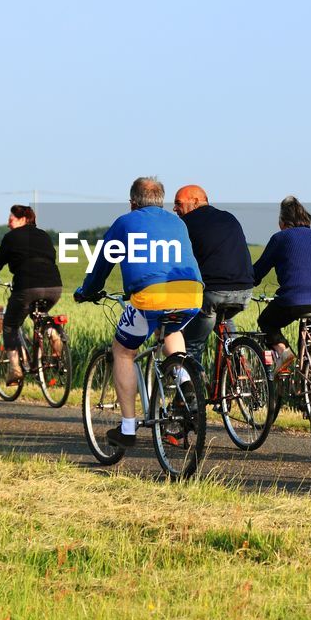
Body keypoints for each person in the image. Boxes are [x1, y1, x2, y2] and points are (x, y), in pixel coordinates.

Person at [74, 177, 203, 449]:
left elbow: (102, 264)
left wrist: (86, 291)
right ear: (161, 202)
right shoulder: (178, 222)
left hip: (151, 295)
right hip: (191, 294)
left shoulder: (125, 222)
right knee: (172, 329)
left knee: (123, 351)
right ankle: (185, 380)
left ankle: (128, 428)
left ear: (133, 203)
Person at [172, 184, 254, 365]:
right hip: (245, 290)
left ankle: (192, 392)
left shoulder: (185, 224)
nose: (174, 208)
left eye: (178, 203)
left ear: (195, 201)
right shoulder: (229, 218)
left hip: (213, 292)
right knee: (224, 326)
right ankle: (242, 375)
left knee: (192, 345)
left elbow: (177, 261)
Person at [0, 204, 64, 383]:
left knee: (10, 324)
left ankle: (15, 368)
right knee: (40, 317)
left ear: (24, 219)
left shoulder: (11, 237)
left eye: (11, 219)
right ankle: (53, 335)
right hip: (54, 286)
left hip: (27, 286)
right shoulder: (44, 235)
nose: (8, 224)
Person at [251, 196, 311, 371]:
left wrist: (247, 281)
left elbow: (260, 269)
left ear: (283, 221)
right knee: (310, 340)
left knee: (266, 321)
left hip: (293, 300)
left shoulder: (280, 238)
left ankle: (283, 351)